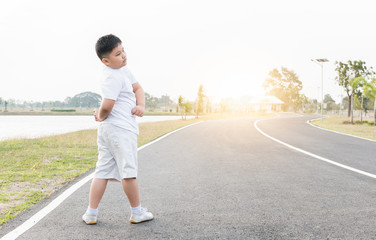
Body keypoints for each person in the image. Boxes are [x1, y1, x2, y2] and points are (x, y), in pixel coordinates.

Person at [82, 34, 153, 225]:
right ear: (106, 60)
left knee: (102, 170)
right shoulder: (111, 76)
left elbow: (138, 89)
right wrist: (100, 115)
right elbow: (107, 105)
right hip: (120, 129)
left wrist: (141, 106)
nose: (123, 56)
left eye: (123, 51)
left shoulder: (124, 70)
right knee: (128, 171)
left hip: (109, 131)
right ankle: (137, 212)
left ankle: (91, 213)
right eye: (118, 54)